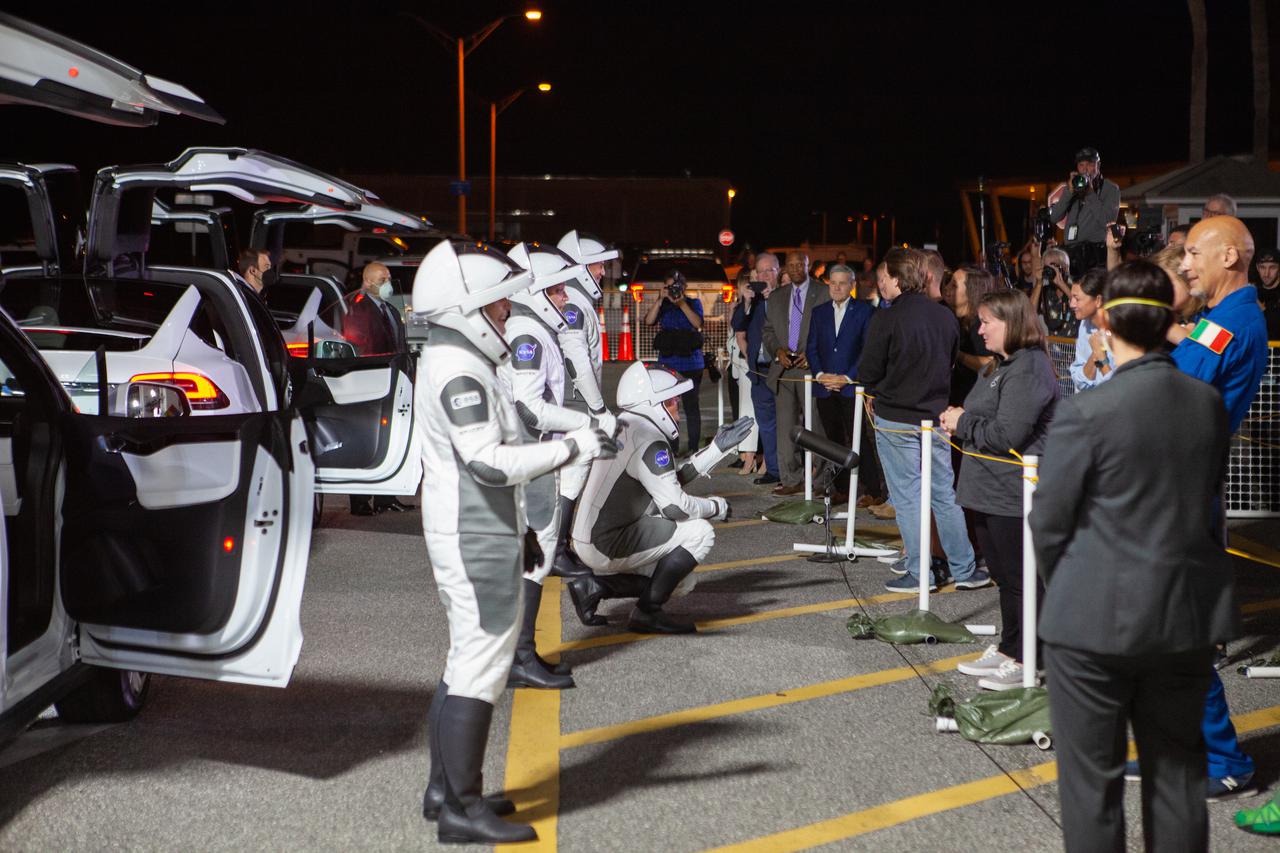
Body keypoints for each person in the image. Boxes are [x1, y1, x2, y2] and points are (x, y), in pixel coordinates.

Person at [411, 240, 615, 844]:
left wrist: (524, 529)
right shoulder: (458, 368)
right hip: (473, 529)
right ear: (465, 308)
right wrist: (576, 446)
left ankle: (446, 791)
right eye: (497, 305)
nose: (507, 313)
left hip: (480, 527)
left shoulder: (458, 358)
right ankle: (460, 809)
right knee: (479, 667)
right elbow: (490, 464)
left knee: (464, 661)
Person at [1030, 259, 1238, 853]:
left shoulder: (1087, 410)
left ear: (1106, 326)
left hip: (1092, 619)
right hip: (1183, 614)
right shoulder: (1206, 404)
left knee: (1091, 789)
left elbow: (1049, 520)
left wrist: (1065, 586)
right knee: (1177, 779)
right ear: (1170, 322)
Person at [1164, 215, 1267, 800]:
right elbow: (1194, 357)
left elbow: (1176, 391)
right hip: (1180, 483)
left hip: (1183, 486)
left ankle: (1224, 759)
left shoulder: (1234, 320)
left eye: (1194, 254)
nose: (1185, 264)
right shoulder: (1223, 319)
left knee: (1182, 632)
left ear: (1230, 256)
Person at [501, 242, 617, 676]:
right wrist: (587, 422)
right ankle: (520, 658)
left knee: (537, 550)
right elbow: (530, 409)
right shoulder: (528, 335)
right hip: (530, 453)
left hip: (532, 452)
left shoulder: (533, 330)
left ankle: (518, 655)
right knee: (537, 551)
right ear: (535, 293)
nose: (566, 298)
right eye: (557, 291)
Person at [568, 363, 746, 634]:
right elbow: (675, 506)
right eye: (672, 402)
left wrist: (716, 449)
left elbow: (665, 480)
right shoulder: (650, 439)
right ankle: (647, 612)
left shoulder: (627, 424)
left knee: (681, 582)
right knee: (699, 533)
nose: (678, 408)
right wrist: (715, 507)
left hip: (594, 535)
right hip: (606, 541)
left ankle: (595, 587)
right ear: (653, 404)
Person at [940, 290, 1058, 690]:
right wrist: (959, 420)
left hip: (1012, 492)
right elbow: (982, 419)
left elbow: (1008, 434)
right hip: (988, 489)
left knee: (1024, 578)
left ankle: (1032, 658)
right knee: (1008, 578)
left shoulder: (1029, 368)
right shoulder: (1001, 365)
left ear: (1013, 323)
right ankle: (1012, 647)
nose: (980, 328)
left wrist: (963, 423)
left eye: (988, 321)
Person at [857, 248, 990, 593]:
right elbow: (948, 361)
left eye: (886, 278)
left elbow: (868, 371)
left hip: (896, 418)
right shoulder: (944, 317)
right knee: (944, 495)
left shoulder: (886, 318)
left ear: (899, 280)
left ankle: (920, 572)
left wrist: (878, 388)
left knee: (908, 497)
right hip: (936, 416)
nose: (881, 284)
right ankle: (964, 569)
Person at [553, 230, 621, 579]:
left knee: (567, 475)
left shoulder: (575, 301)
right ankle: (557, 548)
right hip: (576, 404)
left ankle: (555, 545)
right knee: (572, 475)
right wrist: (597, 409)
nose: (600, 273)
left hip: (573, 402)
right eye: (596, 266)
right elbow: (577, 358)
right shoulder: (576, 304)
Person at [343, 262, 414, 516]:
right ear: (369, 281)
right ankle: (360, 500)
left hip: (392, 380)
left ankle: (386, 498)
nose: (388, 283)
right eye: (383, 279)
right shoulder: (359, 308)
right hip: (369, 381)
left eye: (389, 278)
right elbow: (362, 345)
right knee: (365, 438)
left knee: (388, 436)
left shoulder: (390, 310)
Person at [762, 250, 831, 495]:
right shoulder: (777, 297)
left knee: (816, 428)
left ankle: (822, 482)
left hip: (810, 369)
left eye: (798, 265)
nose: (794, 269)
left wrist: (812, 355)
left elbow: (828, 329)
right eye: (790, 265)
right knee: (785, 428)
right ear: (785, 269)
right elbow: (768, 332)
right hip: (784, 370)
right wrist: (777, 351)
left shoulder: (823, 293)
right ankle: (791, 479)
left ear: (807, 265)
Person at [805, 264, 874, 501]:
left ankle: (873, 490)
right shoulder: (819, 312)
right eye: (832, 283)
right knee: (833, 441)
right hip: (825, 388)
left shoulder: (865, 311)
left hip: (851, 387)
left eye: (842, 283)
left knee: (859, 439)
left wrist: (846, 378)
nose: (836, 287)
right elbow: (811, 348)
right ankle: (843, 490)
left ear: (852, 285)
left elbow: (867, 350)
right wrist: (822, 375)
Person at [644, 268, 705, 455]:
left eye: (676, 287)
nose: (673, 290)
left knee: (691, 406)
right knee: (670, 407)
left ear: (684, 287)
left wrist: (682, 304)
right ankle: (673, 447)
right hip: (668, 365)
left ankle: (693, 446)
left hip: (691, 364)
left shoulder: (693, 303)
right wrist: (660, 299)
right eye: (669, 287)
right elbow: (648, 321)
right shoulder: (663, 306)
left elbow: (697, 324)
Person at [1047, 147, 1120, 274]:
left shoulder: (1110, 188)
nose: (1085, 169)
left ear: (1098, 165)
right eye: (1081, 165)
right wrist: (1069, 192)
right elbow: (1054, 218)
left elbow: (1108, 221)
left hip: (1095, 256)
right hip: (1071, 254)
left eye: (1090, 164)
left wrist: (1090, 193)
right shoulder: (1074, 186)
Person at [742, 252, 782, 485]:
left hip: (781, 369)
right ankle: (774, 470)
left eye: (770, 270)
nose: (765, 275)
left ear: (778, 272)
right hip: (759, 371)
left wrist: (771, 300)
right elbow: (738, 324)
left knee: (786, 422)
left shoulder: (785, 296)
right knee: (765, 422)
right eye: (761, 271)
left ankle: (789, 471)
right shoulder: (753, 299)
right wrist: (746, 301)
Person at [729, 270, 762, 475]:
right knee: (746, 411)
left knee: (759, 413)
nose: (749, 289)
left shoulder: (760, 304)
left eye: (752, 285)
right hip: (743, 363)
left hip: (757, 363)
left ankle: (757, 457)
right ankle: (748, 455)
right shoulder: (742, 307)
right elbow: (737, 329)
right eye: (745, 285)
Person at [1067, 268, 1114, 390]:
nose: (1072, 304)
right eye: (1072, 298)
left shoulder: (1121, 330)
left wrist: (1101, 356)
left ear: (1098, 300)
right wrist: (1095, 354)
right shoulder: (1085, 324)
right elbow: (1079, 381)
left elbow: (1118, 389)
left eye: (1077, 299)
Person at [1254, 247, 1280, 339]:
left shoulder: (1253, 295)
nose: (1266, 274)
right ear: (1257, 267)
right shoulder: (1253, 291)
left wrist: (1261, 308)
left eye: (1272, 268)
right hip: (1257, 350)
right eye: (1262, 267)